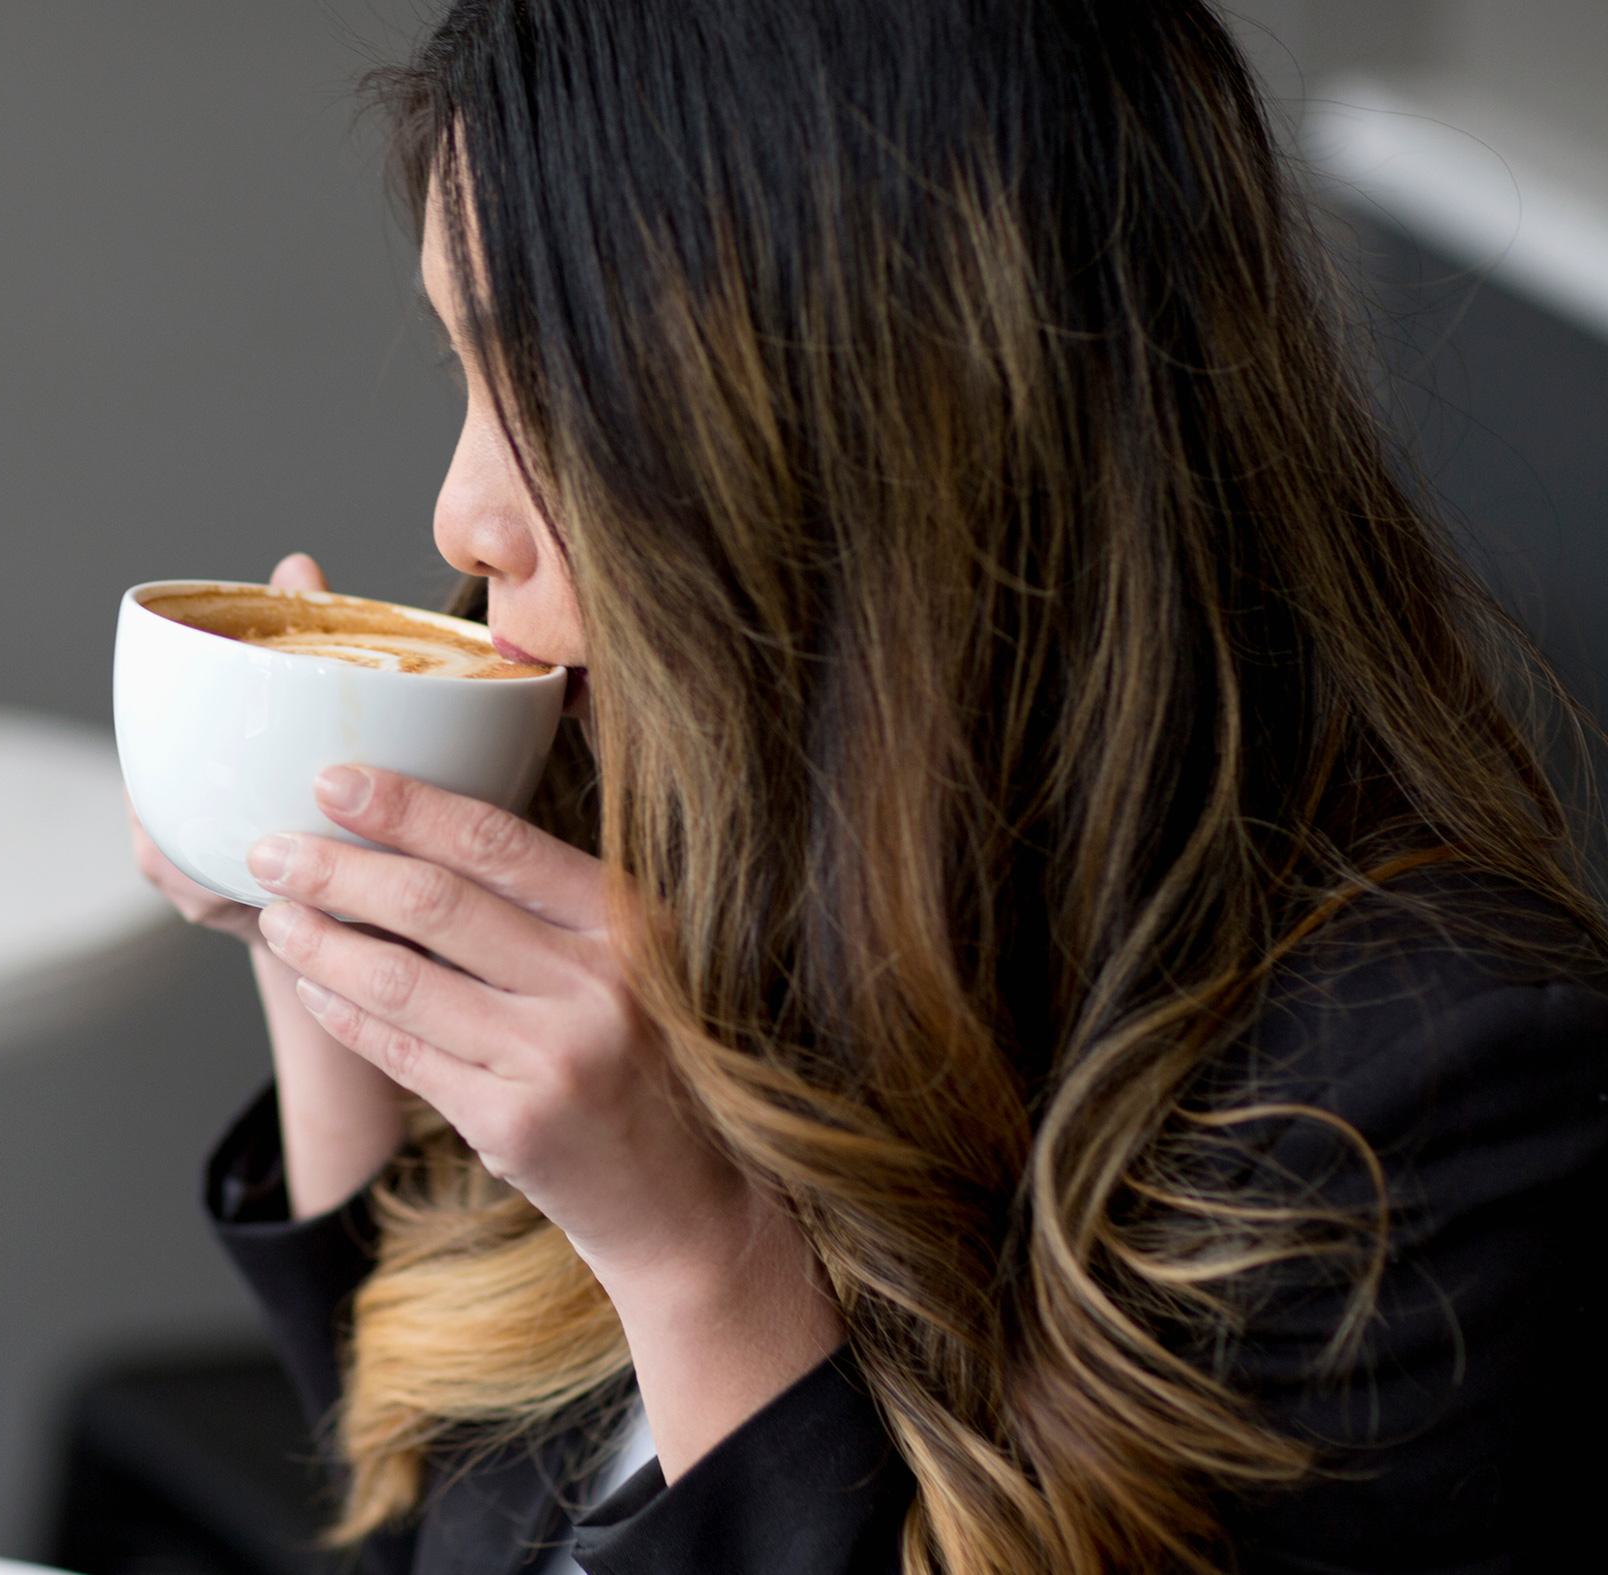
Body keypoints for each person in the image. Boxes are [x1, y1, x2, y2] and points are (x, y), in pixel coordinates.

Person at [120, 2, 1608, 1572]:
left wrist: (700, 1265)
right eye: (465, 373)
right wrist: (324, 952)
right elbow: (433, 1539)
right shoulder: (699, 825)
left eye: (560, 393)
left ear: (878, 438)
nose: (461, 518)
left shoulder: (1435, 1122)